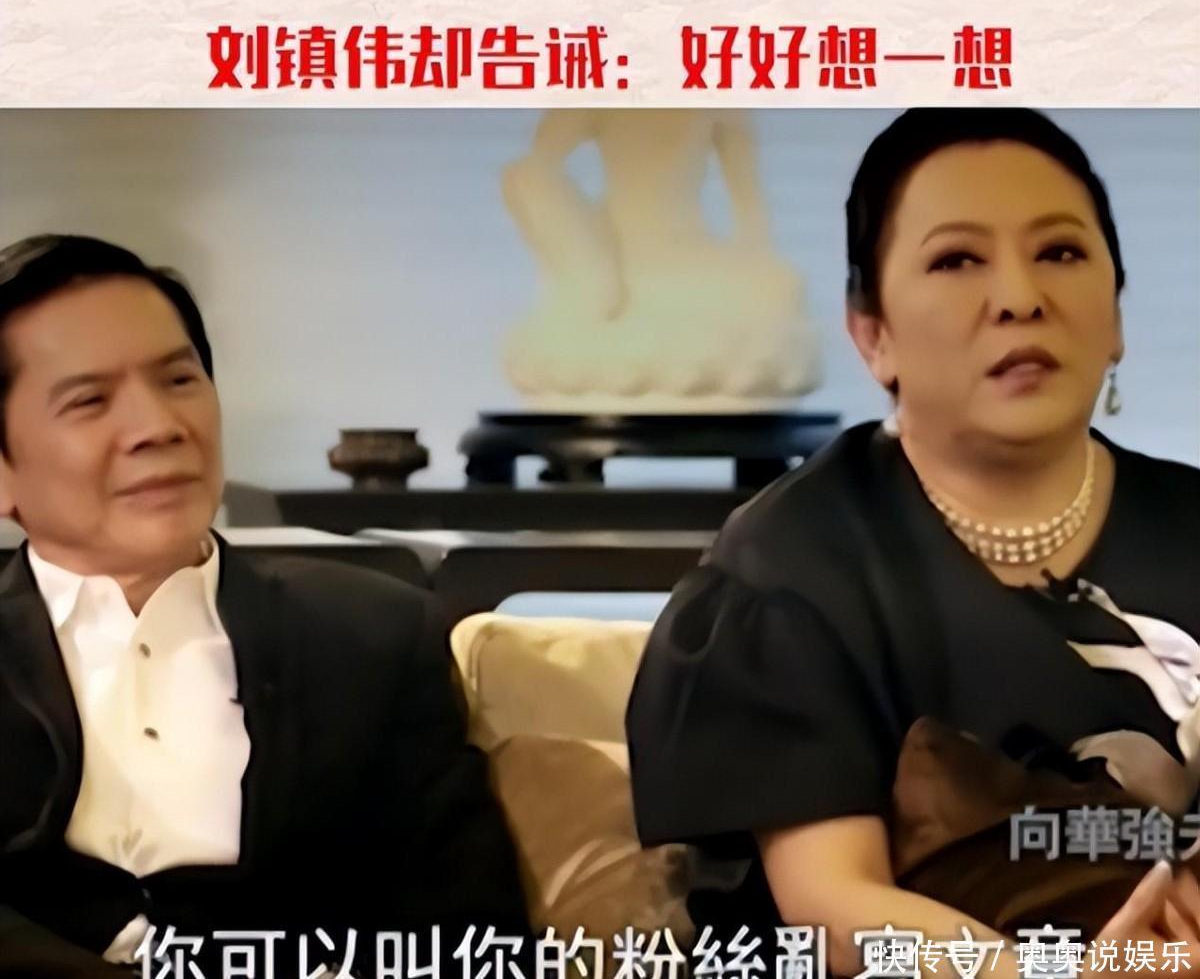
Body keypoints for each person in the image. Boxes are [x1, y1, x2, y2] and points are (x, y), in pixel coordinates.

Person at [626, 109, 1200, 977]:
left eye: (1060, 252)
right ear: (873, 334)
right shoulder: (789, 573)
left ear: (1116, 314)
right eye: (957, 259)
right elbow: (833, 911)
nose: (1020, 297)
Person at [0, 235, 529, 976]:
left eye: (179, 379)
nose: (159, 426)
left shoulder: (370, 637)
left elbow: (469, 940)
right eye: (90, 401)